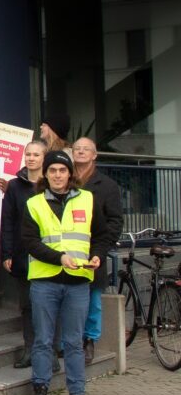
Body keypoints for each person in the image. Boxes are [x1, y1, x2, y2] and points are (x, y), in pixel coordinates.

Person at [22, 150, 113, 395]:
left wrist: (97, 255)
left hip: (78, 281)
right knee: (43, 340)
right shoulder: (34, 203)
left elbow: (101, 235)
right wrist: (59, 258)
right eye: (52, 171)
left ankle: (77, 394)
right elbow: (30, 242)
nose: (58, 175)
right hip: (44, 280)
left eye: (62, 170)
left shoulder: (88, 199)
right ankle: (40, 390)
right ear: (46, 174)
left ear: (70, 174)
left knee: (74, 341)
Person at [71, 137, 124, 364]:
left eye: (86, 150)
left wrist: (101, 250)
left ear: (94, 155)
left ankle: (89, 341)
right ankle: (69, 341)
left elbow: (115, 221)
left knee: (93, 301)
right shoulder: (62, 179)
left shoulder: (108, 185)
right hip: (66, 252)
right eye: (77, 149)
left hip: (94, 251)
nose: (81, 152)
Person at [0, 141, 47, 369]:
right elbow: (7, 221)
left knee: (47, 306)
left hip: (50, 256)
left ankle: (47, 352)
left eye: (36, 155)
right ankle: (30, 349)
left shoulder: (53, 185)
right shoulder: (14, 186)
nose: (31, 158)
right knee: (27, 305)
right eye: (28, 154)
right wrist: (7, 252)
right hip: (23, 255)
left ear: (44, 158)